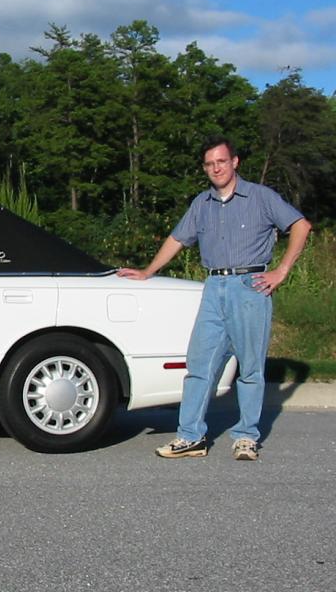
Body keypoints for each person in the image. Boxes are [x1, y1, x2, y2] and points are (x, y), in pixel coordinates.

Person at [117, 136, 311, 461]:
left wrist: (281, 271)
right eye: (209, 164)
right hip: (213, 289)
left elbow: (301, 226)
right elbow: (177, 238)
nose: (215, 168)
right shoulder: (201, 204)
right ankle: (191, 436)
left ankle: (246, 437)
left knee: (249, 368)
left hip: (250, 287)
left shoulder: (261, 197)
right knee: (199, 365)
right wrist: (147, 271)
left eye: (221, 161)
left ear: (234, 162)